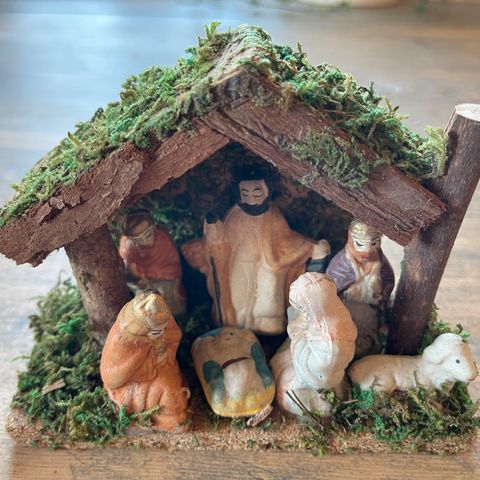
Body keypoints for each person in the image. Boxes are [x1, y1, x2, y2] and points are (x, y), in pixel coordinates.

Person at [182, 168, 330, 335]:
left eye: (256, 193)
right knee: (239, 296)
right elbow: (221, 243)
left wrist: (309, 246)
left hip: (267, 265)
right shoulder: (235, 216)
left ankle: (266, 324)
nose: (251, 198)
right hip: (239, 264)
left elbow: (285, 239)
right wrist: (213, 231)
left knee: (268, 296)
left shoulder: (273, 216)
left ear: (266, 192)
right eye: (245, 193)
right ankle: (238, 323)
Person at [326, 220, 394, 357]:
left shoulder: (380, 263)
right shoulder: (341, 264)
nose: (367, 254)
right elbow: (330, 286)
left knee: (367, 337)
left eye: (373, 245)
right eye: (361, 245)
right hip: (346, 307)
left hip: (370, 310)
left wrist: (380, 293)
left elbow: (388, 281)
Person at [119, 209, 186, 316]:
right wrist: (139, 278)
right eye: (138, 239)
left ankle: (177, 319)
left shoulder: (163, 239)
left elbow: (172, 265)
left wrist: (152, 275)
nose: (144, 240)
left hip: (167, 279)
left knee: (169, 300)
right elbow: (131, 269)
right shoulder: (129, 246)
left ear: (153, 227)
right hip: (145, 283)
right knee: (144, 304)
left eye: (148, 234)